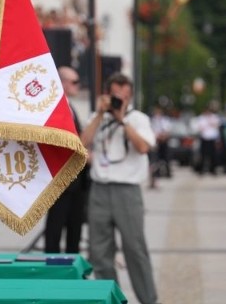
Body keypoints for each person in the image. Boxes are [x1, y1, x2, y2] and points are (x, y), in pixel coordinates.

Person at [80, 72, 159, 304]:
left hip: (128, 190)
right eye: (115, 96)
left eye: (123, 97)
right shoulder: (97, 117)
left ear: (130, 97)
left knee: (135, 249)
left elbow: (144, 147)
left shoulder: (138, 119)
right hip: (100, 189)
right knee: (99, 251)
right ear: (107, 94)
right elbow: (82, 143)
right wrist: (100, 114)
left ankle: (149, 300)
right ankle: (112, 299)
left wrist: (122, 118)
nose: (118, 101)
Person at [44, 66, 89, 254]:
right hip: (61, 179)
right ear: (62, 83)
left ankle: (73, 271)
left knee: (75, 228)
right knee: (55, 229)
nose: (78, 86)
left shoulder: (70, 106)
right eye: (74, 82)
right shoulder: (54, 106)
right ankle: (51, 274)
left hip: (77, 179)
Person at [195, 101, 221, 175]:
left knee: (213, 156)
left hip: (212, 139)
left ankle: (213, 169)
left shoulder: (214, 117)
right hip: (204, 138)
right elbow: (200, 128)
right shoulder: (201, 118)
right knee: (203, 155)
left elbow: (217, 126)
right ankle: (202, 169)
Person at [149, 105, 172, 187]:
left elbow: (168, 130)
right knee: (155, 160)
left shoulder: (165, 120)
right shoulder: (152, 121)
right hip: (156, 141)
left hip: (164, 141)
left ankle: (168, 172)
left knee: (166, 158)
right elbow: (151, 130)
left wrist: (163, 136)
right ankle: (155, 176)